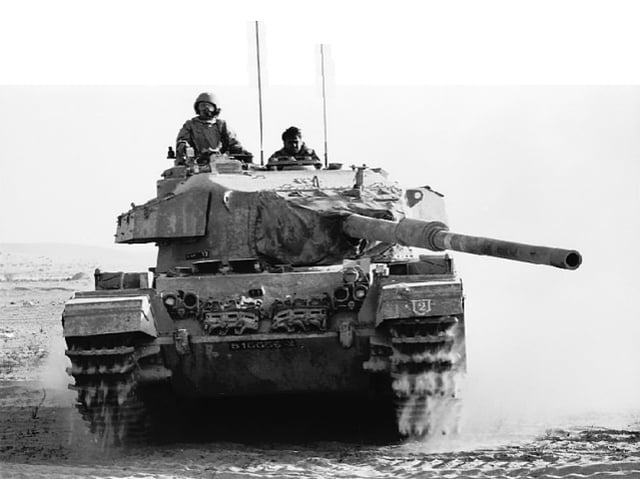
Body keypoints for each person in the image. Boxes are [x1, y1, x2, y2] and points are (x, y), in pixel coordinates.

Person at [175, 92, 253, 164]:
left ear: (215, 109)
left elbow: (233, 143)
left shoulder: (221, 125)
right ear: (197, 108)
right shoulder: (191, 125)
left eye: (209, 106)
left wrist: (243, 153)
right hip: (197, 162)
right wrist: (185, 147)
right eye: (202, 106)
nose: (206, 109)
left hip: (220, 161)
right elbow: (182, 140)